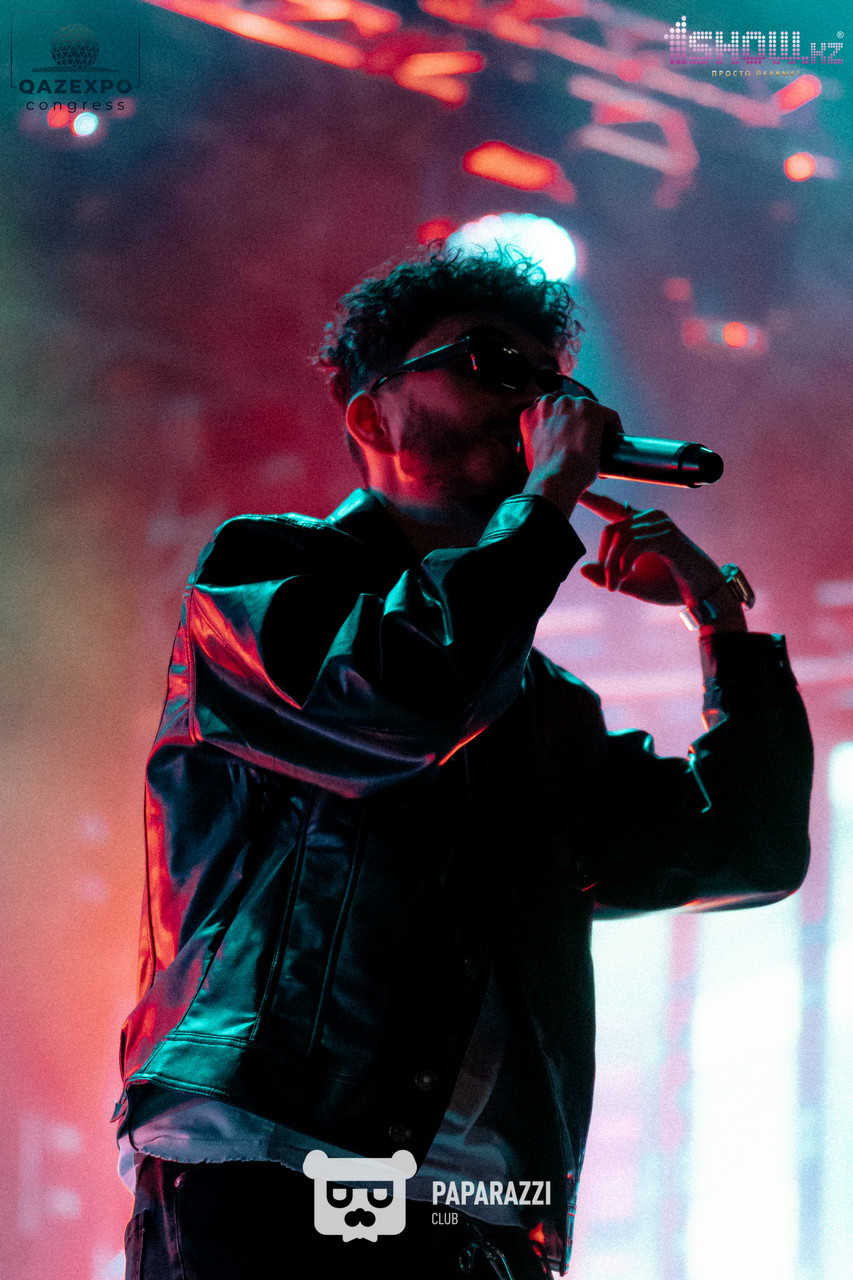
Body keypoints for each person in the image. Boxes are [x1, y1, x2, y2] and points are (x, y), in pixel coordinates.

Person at [114, 248, 812, 1280]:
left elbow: (745, 847)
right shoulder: (265, 573)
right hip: (275, 1167)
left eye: (549, 380)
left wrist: (721, 622)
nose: (534, 400)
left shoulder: (546, 707)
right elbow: (402, 703)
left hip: (481, 1215)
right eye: (489, 363)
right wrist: (546, 501)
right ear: (373, 417)